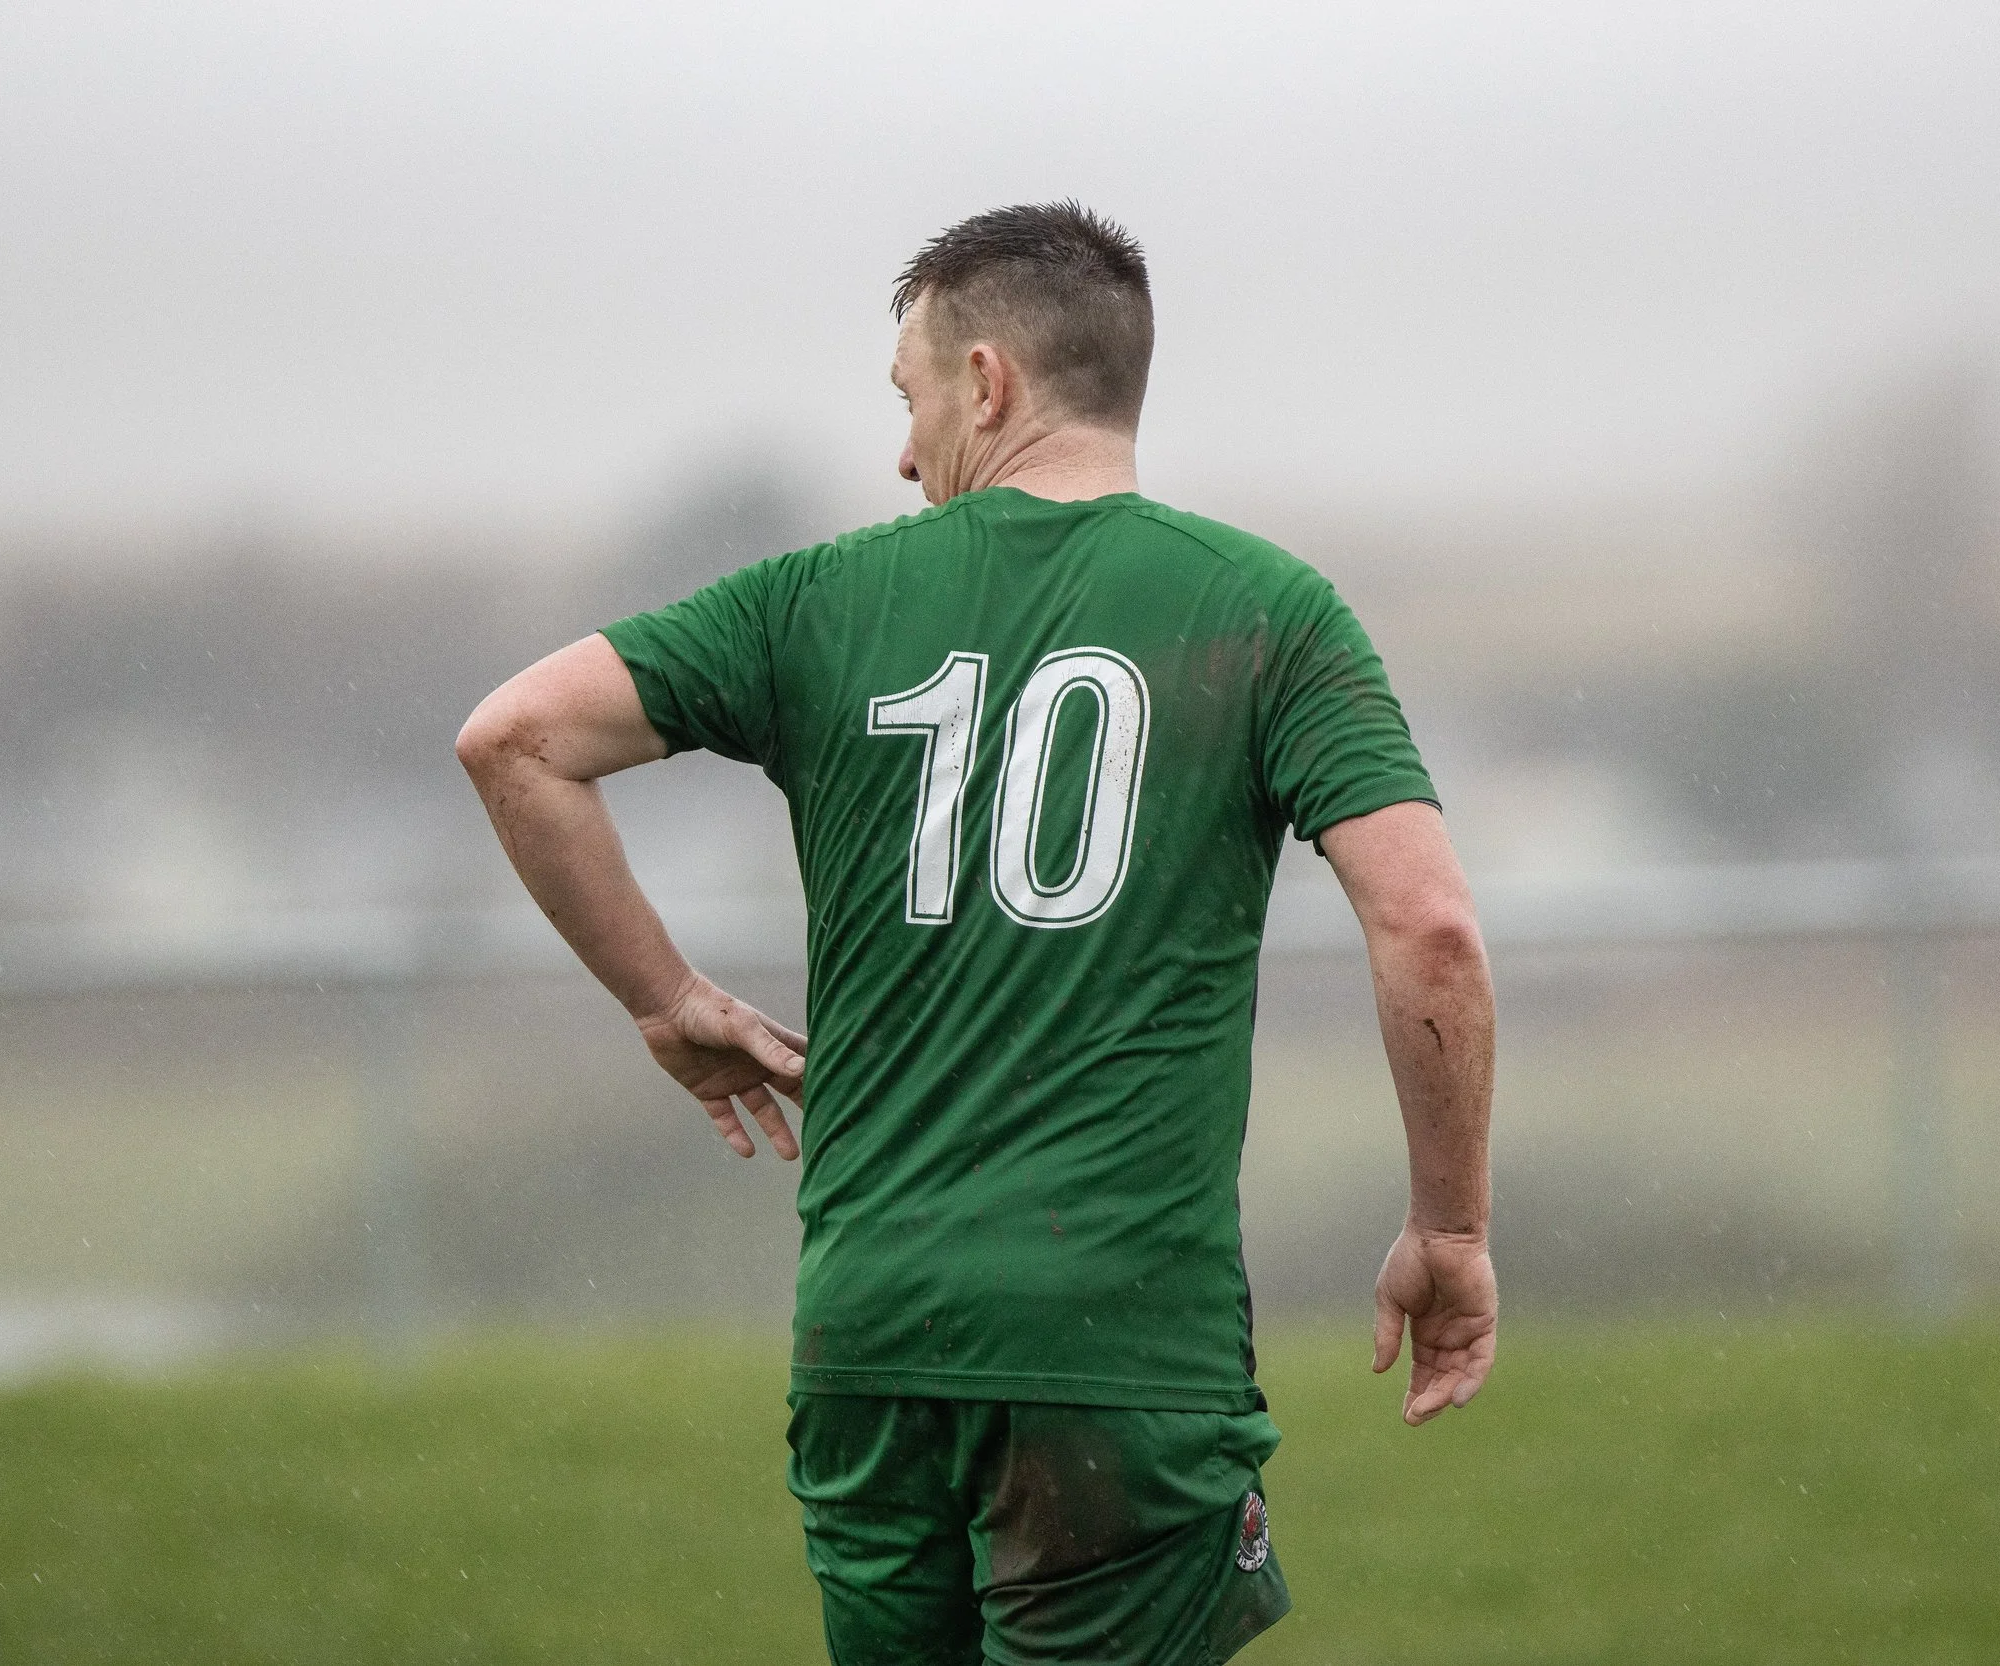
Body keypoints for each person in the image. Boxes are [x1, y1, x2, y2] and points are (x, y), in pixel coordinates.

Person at [457, 201, 1496, 1666]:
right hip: (1118, 1348)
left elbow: (513, 741)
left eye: (910, 396)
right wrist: (1449, 1222)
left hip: (871, 1339)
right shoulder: (1271, 614)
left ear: (989, 383)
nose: (900, 452)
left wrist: (663, 996)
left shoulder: (816, 601)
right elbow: (1432, 926)